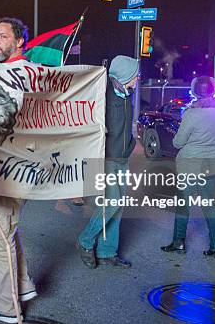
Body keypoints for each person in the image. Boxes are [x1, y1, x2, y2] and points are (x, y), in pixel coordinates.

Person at [0, 17, 36, 324]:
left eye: (3, 36)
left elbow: (4, 120)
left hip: (10, 167)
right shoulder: (26, 73)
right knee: (8, 230)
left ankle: (7, 308)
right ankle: (23, 288)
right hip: (18, 165)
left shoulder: (18, 75)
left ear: (19, 41)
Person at [76, 55, 138, 270]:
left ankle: (107, 252)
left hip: (122, 157)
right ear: (124, 76)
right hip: (104, 159)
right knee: (109, 204)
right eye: (135, 74)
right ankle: (85, 241)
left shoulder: (126, 93)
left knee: (118, 206)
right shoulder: (102, 94)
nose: (138, 78)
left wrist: (131, 146)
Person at [161, 76, 215, 259]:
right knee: (209, 204)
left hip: (191, 161)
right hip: (213, 160)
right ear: (213, 90)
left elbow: (178, 142)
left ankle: (179, 242)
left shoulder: (191, 113)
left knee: (183, 203)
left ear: (194, 91)